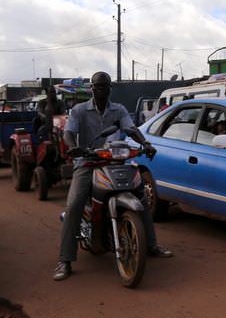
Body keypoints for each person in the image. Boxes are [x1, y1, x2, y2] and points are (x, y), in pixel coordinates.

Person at [53, 72, 173, 281]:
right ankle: (65, 260)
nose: (100, 89)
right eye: (97, 86)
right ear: (92, 88)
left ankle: (151, 245)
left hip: (114, 160)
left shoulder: (119, 110)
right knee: (74, 205)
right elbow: (69, 133)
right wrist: (74, 148)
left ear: (110, 88)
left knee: (141, 197)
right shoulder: (80, 111)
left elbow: (130, 128)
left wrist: (145, 143)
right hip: (87, 163)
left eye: (104, 86)